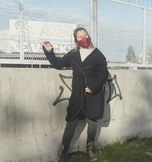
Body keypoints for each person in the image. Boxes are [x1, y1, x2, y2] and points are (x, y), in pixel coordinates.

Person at [42, 27, 109, 162]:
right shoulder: (73, 54)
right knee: (71, 121)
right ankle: (63, 152)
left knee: (92, 121)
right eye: (80, 36)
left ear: (89, 36)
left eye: (85, 35)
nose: (83, 38)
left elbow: (103, 73)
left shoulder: (98, 54)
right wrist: (49, 52)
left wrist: (94, 86)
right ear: (76, 40)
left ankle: (90, 150)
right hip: (77, 93)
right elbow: (58, 64)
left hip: (94, 94)